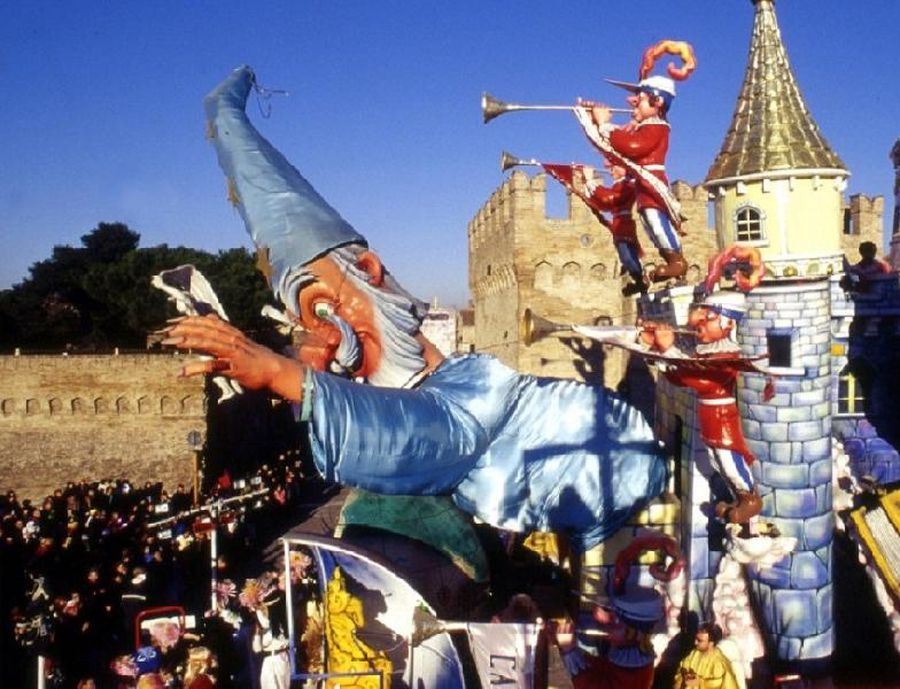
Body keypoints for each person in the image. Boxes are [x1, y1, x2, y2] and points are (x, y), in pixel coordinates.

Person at [163, 65, 668, 553]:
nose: (325, 335)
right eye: (308, 323)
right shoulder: (449, 386)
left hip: (628, 536)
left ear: (370, 269)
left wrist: (280, 375)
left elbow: (425, 436)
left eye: (324, 306)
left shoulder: (473, 397)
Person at [638, 289, 762, 527]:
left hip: (722, 417)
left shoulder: (728, 354)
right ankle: (738, 497)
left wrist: (668, 350)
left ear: (728, 323)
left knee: (729, 460)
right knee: (717, 462)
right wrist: (655, 348)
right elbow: (679, 378)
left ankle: (750, 499)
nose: (700, 323)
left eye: (709, 318)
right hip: (710, 417)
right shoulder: (704, 352)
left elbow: (701, 382)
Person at [569, 161, 647, 296]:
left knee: (628, 257)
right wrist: (584, 180)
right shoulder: (619, 185)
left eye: (613, 168)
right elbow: (600, 202)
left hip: (624, 225)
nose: (610, 171)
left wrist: (590, 179)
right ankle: (638, 281)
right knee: (625, 257)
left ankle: (640, 280)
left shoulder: (627, 185)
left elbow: (608, 199)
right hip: (619, 225)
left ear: (624, 168)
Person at [673, 623, 739, 689]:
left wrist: (700, 682)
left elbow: (721, 684)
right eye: (695, 639)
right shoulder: (694, 654)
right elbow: (682, 668)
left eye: (699, 641)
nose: (695, 642)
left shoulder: (721, 663)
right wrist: (685, 675)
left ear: (711, 643)